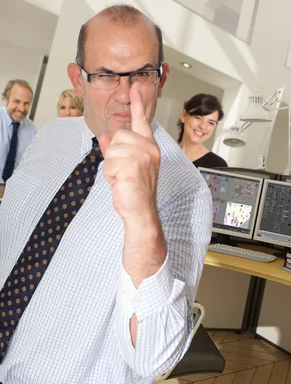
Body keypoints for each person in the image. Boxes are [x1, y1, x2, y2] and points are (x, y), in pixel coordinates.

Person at [0, 5, 212, 383]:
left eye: (142, 74)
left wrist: (143, 214)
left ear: (161, 78)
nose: (125, 94)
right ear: (77, 80)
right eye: (104, 75)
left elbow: (153, 357)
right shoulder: (52, 135)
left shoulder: (185, 190)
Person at [0, 79, 37, 192]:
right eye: (16, 101)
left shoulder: (32, 129)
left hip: (13, 192)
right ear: (5, 100)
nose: (21, 108)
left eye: (26, 103)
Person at [177, 93, 227, 168]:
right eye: (198, 118)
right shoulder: (161, 154)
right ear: (183, 115)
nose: (202, 126)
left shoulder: (218, 166)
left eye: (210, 123)